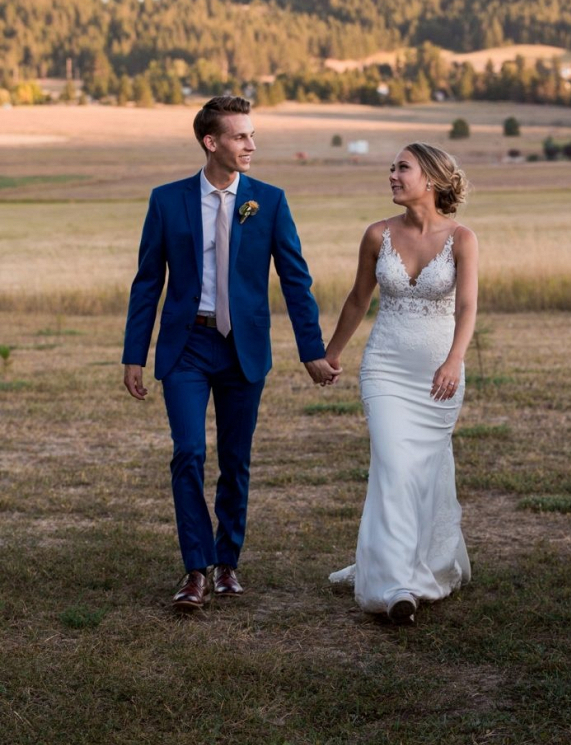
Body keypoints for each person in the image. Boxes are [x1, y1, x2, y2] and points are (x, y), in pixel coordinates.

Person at [122, 96, 340, 611]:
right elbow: (147, 281)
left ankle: (228, 564)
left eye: (252, 135)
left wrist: (311, 348)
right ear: (211, 141)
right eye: (241, 136)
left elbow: (295, 279)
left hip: (244, 348)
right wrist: (135, 353)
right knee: (189, 453)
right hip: (186, 347)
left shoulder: (269, 200)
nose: (251, 145)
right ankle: (195, 569)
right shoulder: (167, 200)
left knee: (235, 460)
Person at [327, 142, 478, 624]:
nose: (392, 175)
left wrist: (455, 360)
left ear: (430, 179)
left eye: (402, 168)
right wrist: (331, 354)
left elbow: (468, 307)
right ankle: (395, 587)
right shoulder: (377, 234)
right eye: (391, 167)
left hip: (438, 374)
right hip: (385, 367)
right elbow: (357, 299)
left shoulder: (462, 238)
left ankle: (423, 563)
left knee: (422, 471)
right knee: (392, 466)